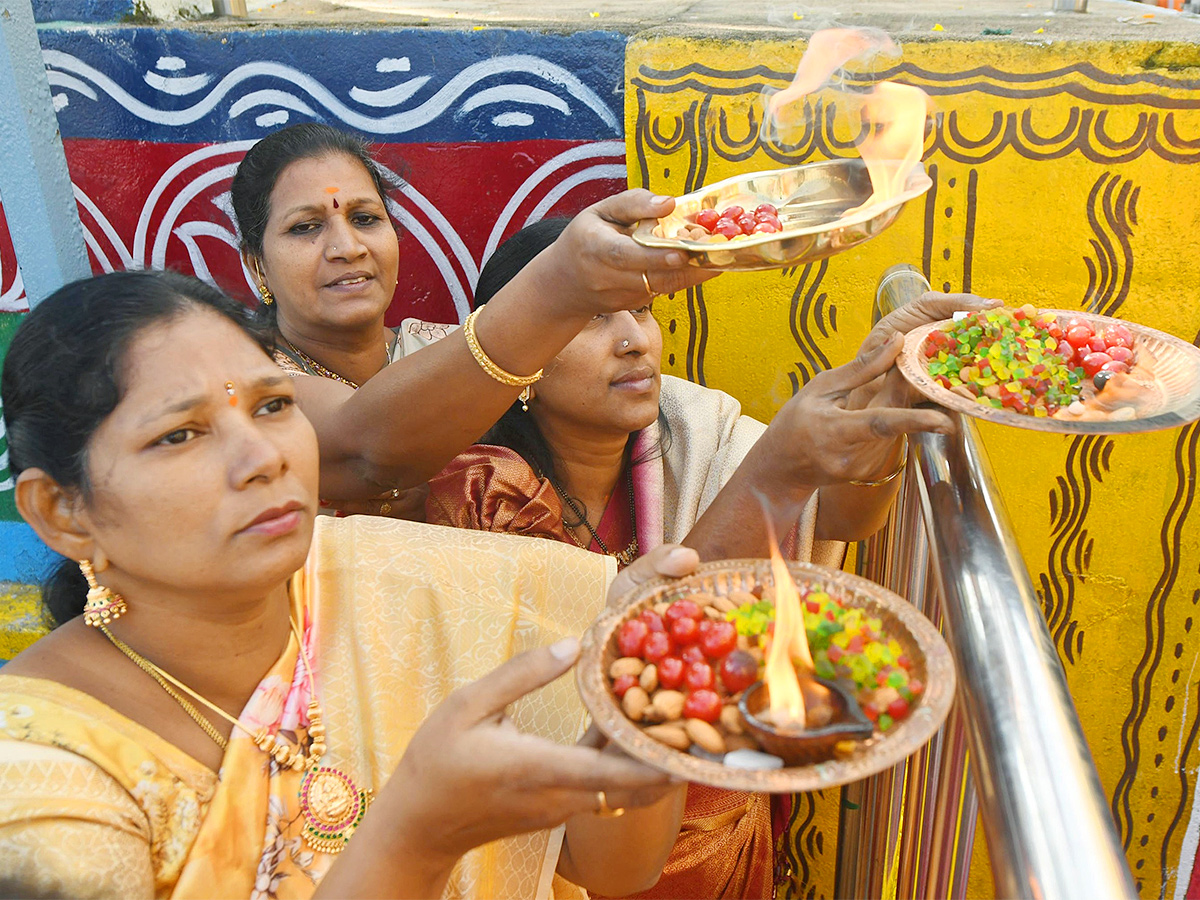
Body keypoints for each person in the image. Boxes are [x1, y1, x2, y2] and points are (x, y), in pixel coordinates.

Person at [0, 270, 704, 900]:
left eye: (273, 407)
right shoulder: (38, 768)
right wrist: (417, 836)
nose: (261, 457)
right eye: (181, 434)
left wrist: (634, 697)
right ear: (62, 512)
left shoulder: (412, 581)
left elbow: (611, 868)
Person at [426, 218, 995, 898]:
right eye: (593, 318)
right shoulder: (481, 492)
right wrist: (775, 474)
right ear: (522, 359)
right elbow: (599, 680)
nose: (635, 339)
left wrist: (882, 390)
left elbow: (838, 512)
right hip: (567, 850)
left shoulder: (696, 425)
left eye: (640, 309)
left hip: (719, 837)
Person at [230, 123, 714, 520]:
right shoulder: (245, 386)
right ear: (257, 264)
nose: (347, 248)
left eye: (365, 219)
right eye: (306, 227)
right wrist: (564, 282)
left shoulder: (447, 347)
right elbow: (369, 452)